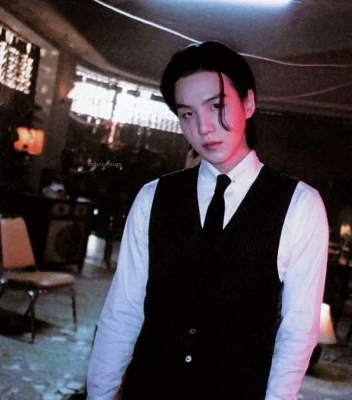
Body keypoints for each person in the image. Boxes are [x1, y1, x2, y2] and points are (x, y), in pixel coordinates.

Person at [87, 41, 329, 400]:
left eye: (216, 106)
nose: (203, 127)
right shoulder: (153, 197)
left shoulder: (300, 205)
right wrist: (100, 394)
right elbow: (123, 311)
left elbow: (297, 332)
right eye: (187, 113)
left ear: (248, 103)